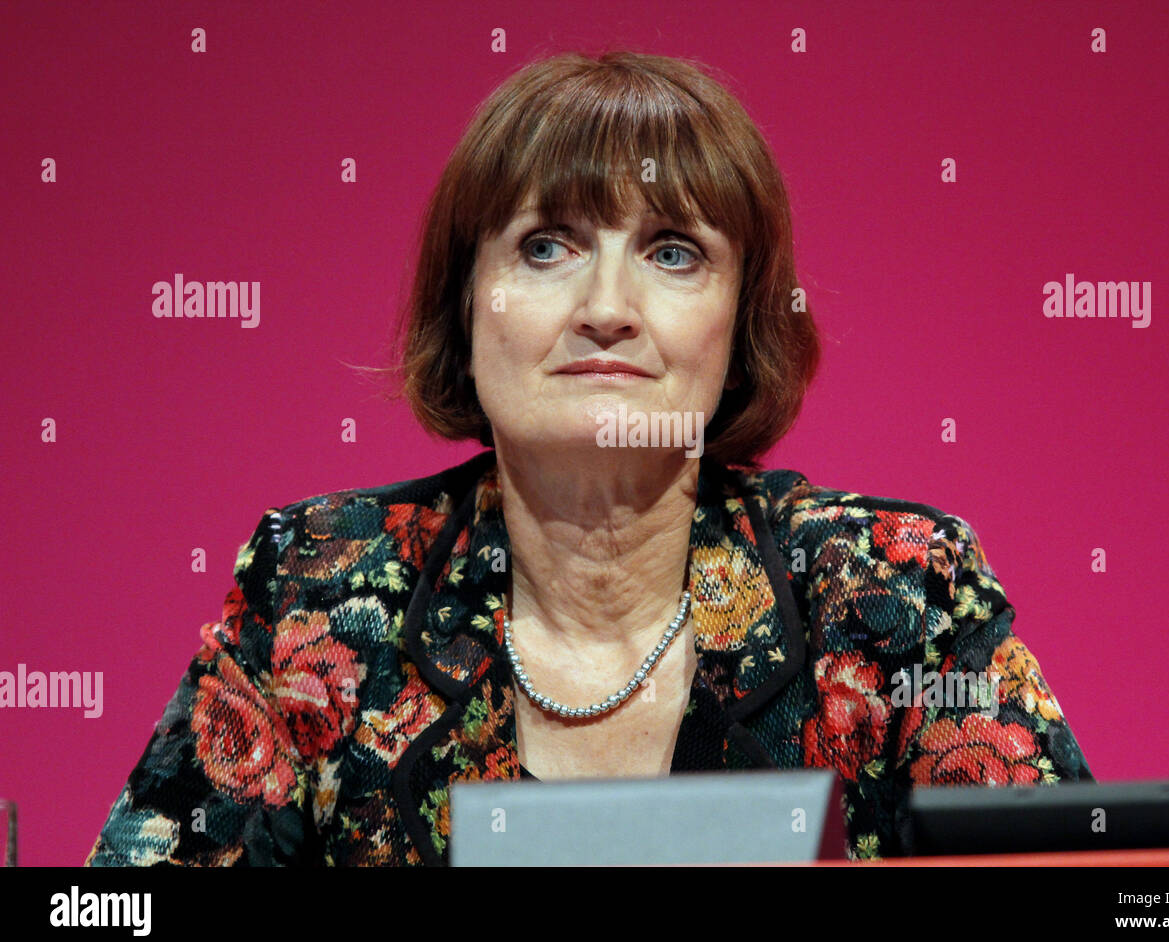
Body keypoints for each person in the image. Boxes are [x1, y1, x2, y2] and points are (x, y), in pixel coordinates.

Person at [86, 49, 1092, 866]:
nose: (607, 308)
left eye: (672, 253)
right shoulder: (317, 583)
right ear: (465, 304)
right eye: (545, 246)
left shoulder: (892, 590)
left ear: (738, 327)